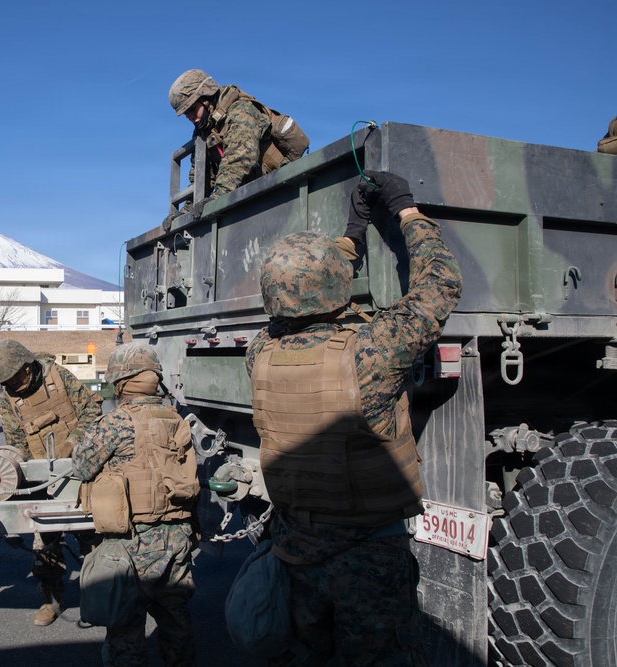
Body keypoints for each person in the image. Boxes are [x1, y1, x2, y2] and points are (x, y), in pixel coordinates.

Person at [246, 170, 463, 665]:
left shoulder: (260, 351)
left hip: (296, 550)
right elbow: (440, 282)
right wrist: (405, 209)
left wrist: (352, 233)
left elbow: (300, 296)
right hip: (369, 559)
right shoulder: (373, 350)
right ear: (333, 286)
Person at [72, 343, 200, 667]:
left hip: (135, 541)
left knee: (126, 633)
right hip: (177, 537)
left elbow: (82, 467)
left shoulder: (117, 421)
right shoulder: (174, 416)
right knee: (177, 623)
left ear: (120, 381)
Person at [0, 338, 102, 626]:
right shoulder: (7, 399)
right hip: (43, 482)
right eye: (9, 381)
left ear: (28, 365)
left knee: (93, 541)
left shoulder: (59, 377)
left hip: (81, 472)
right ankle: (51, 600)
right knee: (45, 549)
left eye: (17, 377)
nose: (15, 384)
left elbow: (92, 413)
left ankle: (99, 596)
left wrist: (72, 442)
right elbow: (16, 443)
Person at [165, 69, 309, 227]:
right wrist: (184, 214)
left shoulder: (241, 111)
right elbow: (203, 177)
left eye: (192, 109)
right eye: (186, 114)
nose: (190, 117)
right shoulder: (204, 131)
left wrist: (219, 195)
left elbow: (240, 157)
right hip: (253, 194)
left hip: (282, 187)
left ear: (206, 98)